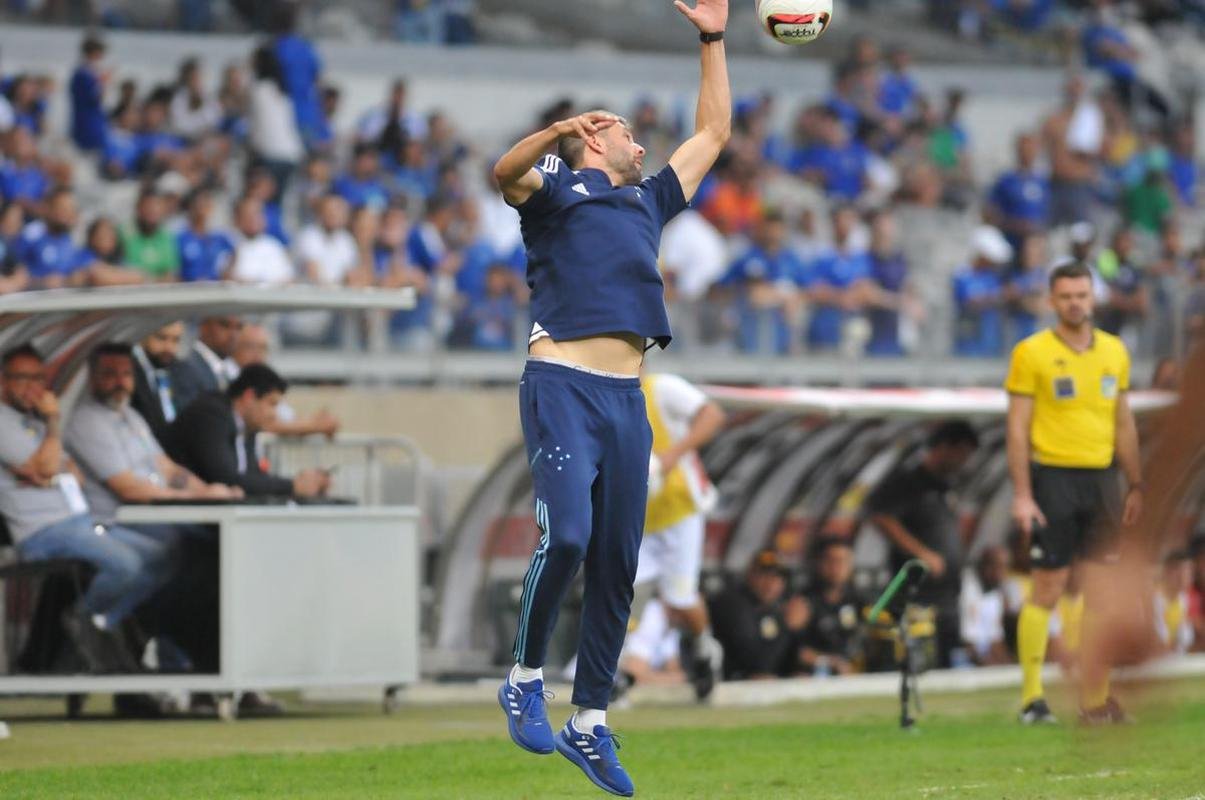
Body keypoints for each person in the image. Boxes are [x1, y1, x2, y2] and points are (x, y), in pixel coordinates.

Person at [491, 1, 730, 793]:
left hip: (627, 400)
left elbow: (714, 135)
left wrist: (712, 40)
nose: (641, 143)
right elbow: (503, 173)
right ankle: (524, 676)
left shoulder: (647, 200)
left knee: (618, 565)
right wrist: (559, 130)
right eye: (628, 131)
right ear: (596, 137)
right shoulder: (557, 187)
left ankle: (590, 721)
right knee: (567, 538)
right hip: (560, 384)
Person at [1006, 259, 1143, 725]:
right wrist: (1023, 494)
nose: (1074, 303)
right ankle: (1031, 698)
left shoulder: (1115, 352)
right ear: (1051, 300)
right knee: (1048, 585)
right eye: (1065, 296)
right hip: (1054, 479)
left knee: (1102, 591)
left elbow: (1123, 421)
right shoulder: (1032, 352)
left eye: (1081, 295)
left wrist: (1135, 482)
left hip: (1103, 479)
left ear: (1093, 297)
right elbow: (1017, 427)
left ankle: (1095, 699)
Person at [0, 345, 173, 672]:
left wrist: (47, 465)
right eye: (21, 378)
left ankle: (97, 620)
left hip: (76, 520)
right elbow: (51, 466)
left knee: (162, 554)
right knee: (125, 564)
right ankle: (83, 621)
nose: (32, 387)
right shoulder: (10, 421)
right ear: (2, 381)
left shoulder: (30, 423)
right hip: (42, 531)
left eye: (38, 378)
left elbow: (69, 473)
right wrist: (53, 424)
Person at [65, 343, 242, 524]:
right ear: (92, 378)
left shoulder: (131, 415)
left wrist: (208, 492)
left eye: (126, 374)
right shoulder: (87, 421)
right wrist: (194, 499)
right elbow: (129, 489)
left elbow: (167, 468)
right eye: (110, 374)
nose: (120, 382)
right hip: (123, 520)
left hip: (158, 512)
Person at [635, 372, 726, 699]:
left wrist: (672, 454)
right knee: (625, 593)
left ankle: (703, 647)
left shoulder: (662, 388)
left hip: (680, 509)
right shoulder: (601, 397)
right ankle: (620, 673)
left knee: (680, 598)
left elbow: (712, 414)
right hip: (636, 517)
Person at [866, 420, 980, 667]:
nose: (964, 462)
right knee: (923, 662)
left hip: (948, 596)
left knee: (948, 662)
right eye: (962, 453)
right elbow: (879, 514)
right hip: (919, 595)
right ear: (944, 447)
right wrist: (922, 554)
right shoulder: (909, 480)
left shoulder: (946, 485)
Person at [163, 363, 331, 499]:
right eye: (272, 404)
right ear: (249, 396)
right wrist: (292, 485)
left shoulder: (248, 426)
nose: (274, 414)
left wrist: (300, 482)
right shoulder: (211, 415)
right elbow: (227, 479)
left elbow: (252, 478)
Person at [708, 549, 810, 679]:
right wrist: (787, 626)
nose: (771, 583)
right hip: (729, 682)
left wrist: (796, 631)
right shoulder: (734, 604)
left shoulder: (773, 609)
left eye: (778, 577)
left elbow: (788, 661)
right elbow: (756, 666)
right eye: (765, 575)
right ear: (749, 574)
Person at [230, 323, 340, 438]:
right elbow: (266, 423)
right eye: (250, 346)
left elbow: (286, 418)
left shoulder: (267, 383)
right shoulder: (226, 376)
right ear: (235, 346)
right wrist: (315, 426)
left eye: (263, 347)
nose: (257, 353)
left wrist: (315, 422)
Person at [800, 537, 863, 676]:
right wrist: (830, 662)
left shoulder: (858, 600)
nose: (837, 567)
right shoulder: (803, 601)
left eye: (843, 561)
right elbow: (798, 652)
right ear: (818, 563)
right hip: (814, 676)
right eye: (831, 560)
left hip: (853, 675)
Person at [131, 321, 189, 445]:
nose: (169, 347)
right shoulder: (129, 371)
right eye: (161, 338)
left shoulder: (177, 368)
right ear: (143, 335)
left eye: (175, 340)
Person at [173, 315, 243, 414]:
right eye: (224, 325)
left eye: (239, 327)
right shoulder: (186, 367)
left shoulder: (230, 372)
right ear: (204, 326)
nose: (233, 335)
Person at [960, 546, 1013, 666]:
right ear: (985, 567)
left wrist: (1009, 666)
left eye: (1006, 567)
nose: (1003, 574)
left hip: (985, 658)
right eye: (999, 567)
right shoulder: (967, 586)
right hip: (963, 661)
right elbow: (970, 646)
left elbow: (996, 640)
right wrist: (992, 667)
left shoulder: (995, 590)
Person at [177, 189, 235, 283]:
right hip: (189, 290)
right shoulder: (181, 239)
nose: (201, 210)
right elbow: (176, 270)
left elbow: (234, 252)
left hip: (216, 289)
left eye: (205, 205)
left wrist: (227, 271)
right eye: (198, 205)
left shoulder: (220, 237)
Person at [121, 191, 181, 282]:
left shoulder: (166, 237)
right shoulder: (125, 234)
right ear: (138, 208)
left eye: (156, 207)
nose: (152, 211)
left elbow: (170, 274)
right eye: (148, 207)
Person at [69, 35, 109, 152]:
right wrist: (103, 82)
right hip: (87, 127)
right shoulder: (83, 75)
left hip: (91, 125)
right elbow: (96, 97)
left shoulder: (86, 74)